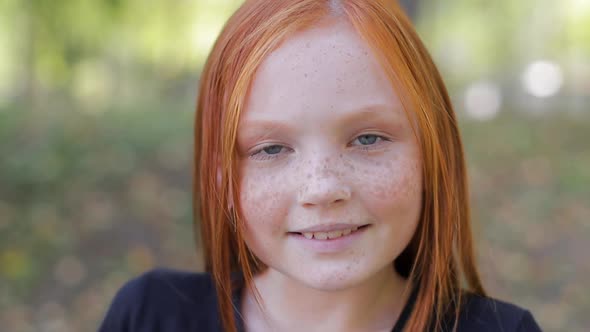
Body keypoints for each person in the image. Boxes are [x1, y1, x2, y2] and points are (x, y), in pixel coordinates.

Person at [99, 1, 542, 331]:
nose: (322, 187)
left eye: (368, 138)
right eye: (271, 149)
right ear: (220, 174)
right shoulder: (150, 317)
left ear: (431, 154)